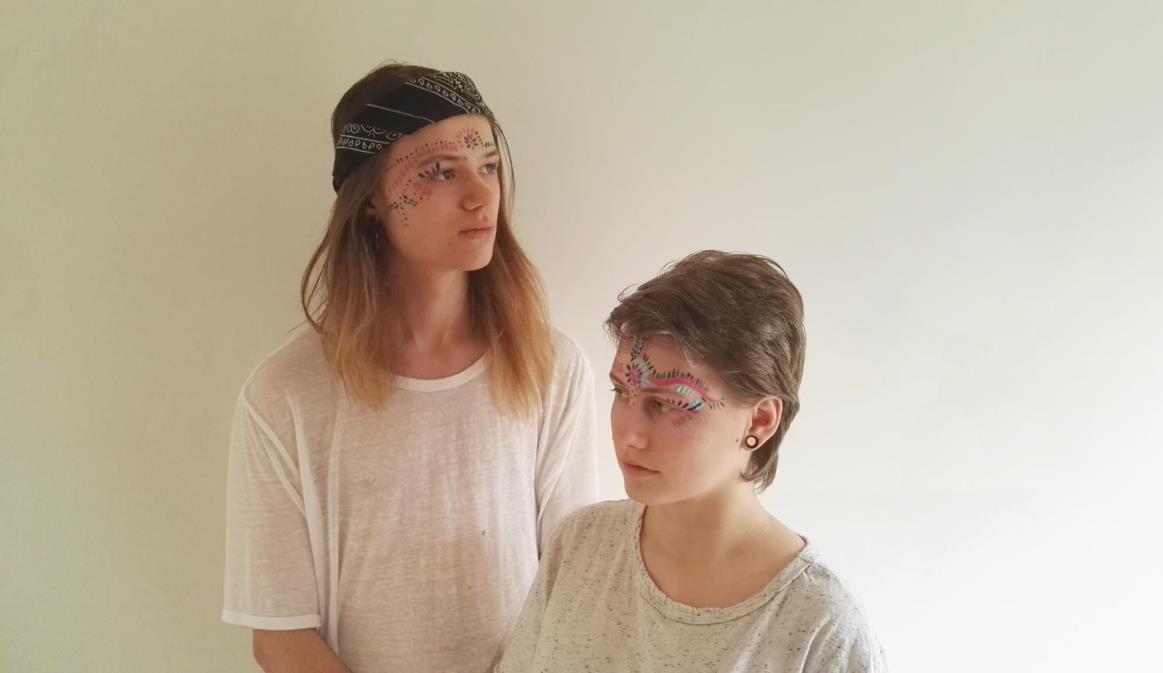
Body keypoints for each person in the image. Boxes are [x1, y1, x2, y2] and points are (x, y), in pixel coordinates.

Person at [222, 63, 598, 673]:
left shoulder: (550, 367)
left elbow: (574, 585)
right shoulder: (285, 394)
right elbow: (280, 636)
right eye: (440, 172)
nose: (481, 195)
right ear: (371, 198)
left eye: (488, 166)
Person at [496, 250, 887, 672]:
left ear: (760, 420)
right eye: (622, 392)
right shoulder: (579, 544)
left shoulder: (820, 627)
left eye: (667, 404)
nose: (629, 434)